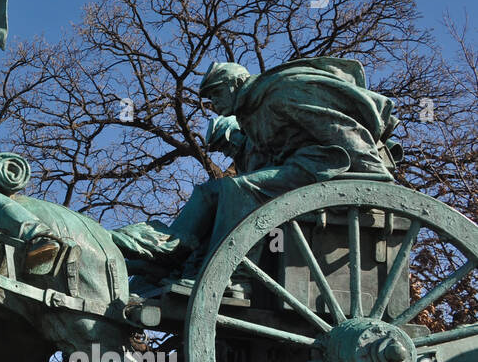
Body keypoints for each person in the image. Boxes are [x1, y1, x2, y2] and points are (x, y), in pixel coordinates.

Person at [119, 56, 400, 292]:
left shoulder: (280, 90)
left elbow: (338, 126)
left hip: (326, 164)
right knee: (212, 191)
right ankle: (174, 248)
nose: (213, 105)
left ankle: (234, 276)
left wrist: (371, 172)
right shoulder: (253, 112)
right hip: (300, 169)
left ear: (237, 83)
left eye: (216, 94)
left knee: (238, 189)